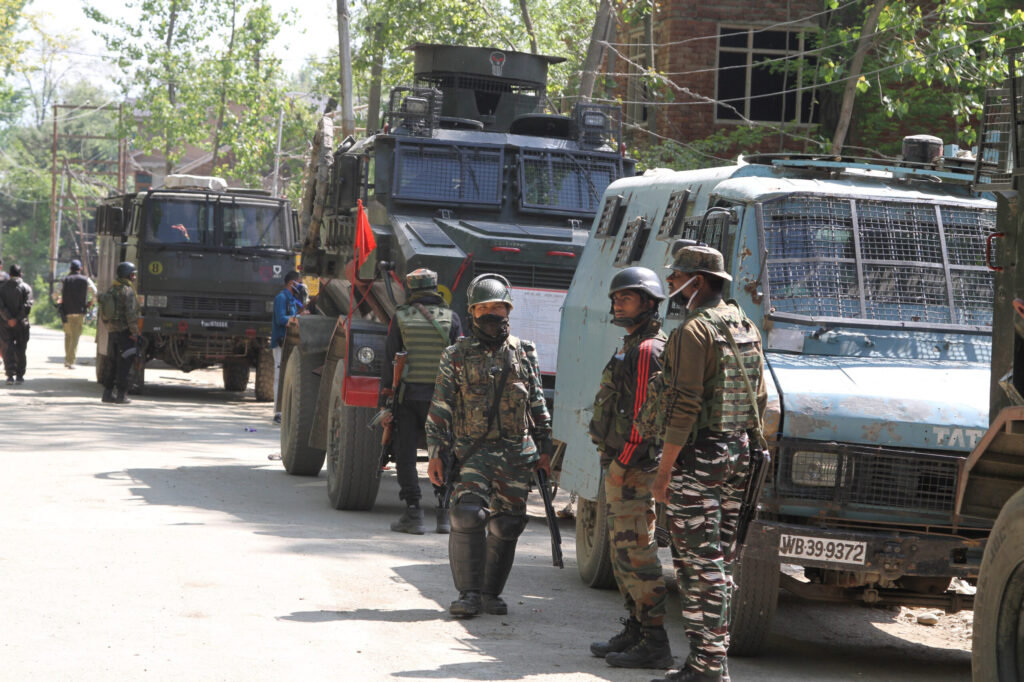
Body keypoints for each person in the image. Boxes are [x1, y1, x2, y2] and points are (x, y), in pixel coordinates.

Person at [650, 245, 767, 682]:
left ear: (695, 281)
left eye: (674, 277)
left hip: (699, 458)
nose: (669, 286)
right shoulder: (745, 325)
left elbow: (683, 406)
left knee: (701, 565)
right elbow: (760, 400)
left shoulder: (693, 332)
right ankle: (706, 661)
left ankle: (710, 666)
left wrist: (664, 472)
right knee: (714, 560)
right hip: (739, 452)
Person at [425, 273, 553, 618]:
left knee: (508, 523)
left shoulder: (525, 352)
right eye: (487, 308)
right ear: (473, 312)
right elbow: (440, 408)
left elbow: (538, 403)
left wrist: (545, 449)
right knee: (469, 514)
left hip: (516, 451)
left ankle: (490, 594)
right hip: (473, 451)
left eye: (501, 307)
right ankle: (467, 594)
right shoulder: (456, 354)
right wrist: (436, 454)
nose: (495, 314)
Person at [588, 267, 672, 670]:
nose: (617, 302)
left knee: (638, 553)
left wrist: (623, 461)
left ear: (650, 302)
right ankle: (637, 630)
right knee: (622, 552)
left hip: (634, 467)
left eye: (627, 296)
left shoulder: (647, 349)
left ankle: (655, 642)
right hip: (622, 464)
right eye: (615, 296)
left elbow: (645, 415)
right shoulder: (632, 343)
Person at [381, 268, 463, 535]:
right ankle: (443, 513)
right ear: (435, 289)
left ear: (411, 290)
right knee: (443, 453)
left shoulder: (400, 318)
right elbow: (459, 361)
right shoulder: (452, 319)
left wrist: (385, 403)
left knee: (404, 454)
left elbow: (389, 360)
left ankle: (413, 512)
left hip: (407, 399)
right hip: (441, 401)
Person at [101, 262, 141, 404]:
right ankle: (121, 395)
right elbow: (130, 314)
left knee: (112, 363)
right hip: (125, 333)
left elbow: (104, 313)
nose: (134, 277)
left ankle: (107, 394)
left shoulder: (111, 289)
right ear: (128, 275)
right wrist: (135, 333)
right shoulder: (127, 290)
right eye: (133, 274)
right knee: (124, 365)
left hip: (112, 332)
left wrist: (110, 327)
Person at [271, 271, 303, 424]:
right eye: (299, 282)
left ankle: (284, 411)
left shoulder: (293, 300)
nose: (301, 285)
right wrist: (296, 320)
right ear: (292, 283)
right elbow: (281, 318)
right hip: (280, 342)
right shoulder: (281, 298)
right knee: (279, 377)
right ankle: (278, 412)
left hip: (289, 342)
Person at [55, 259, 97, 368]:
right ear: (80, 269)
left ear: (70, 269)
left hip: (66, 312)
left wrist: (59, 299)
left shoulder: (64, 280)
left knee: (68, 335)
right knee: (75, 337)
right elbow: (95, 292)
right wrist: (90, 303)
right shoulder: (86, 280)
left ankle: (67, 359)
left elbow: (55, 294)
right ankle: (70, 361)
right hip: (80, 311)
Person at [0, 264, 34, 384]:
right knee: (21, 349)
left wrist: (9, 318)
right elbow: (27, 306)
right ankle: (19, 376)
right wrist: (17, 318)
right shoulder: (26, 287)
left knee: (7, 349)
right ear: (21, 274)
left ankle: (10, 376)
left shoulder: (2, 288)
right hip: (22, 324)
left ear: (9, 275)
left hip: (5, 324)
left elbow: (1, 306)